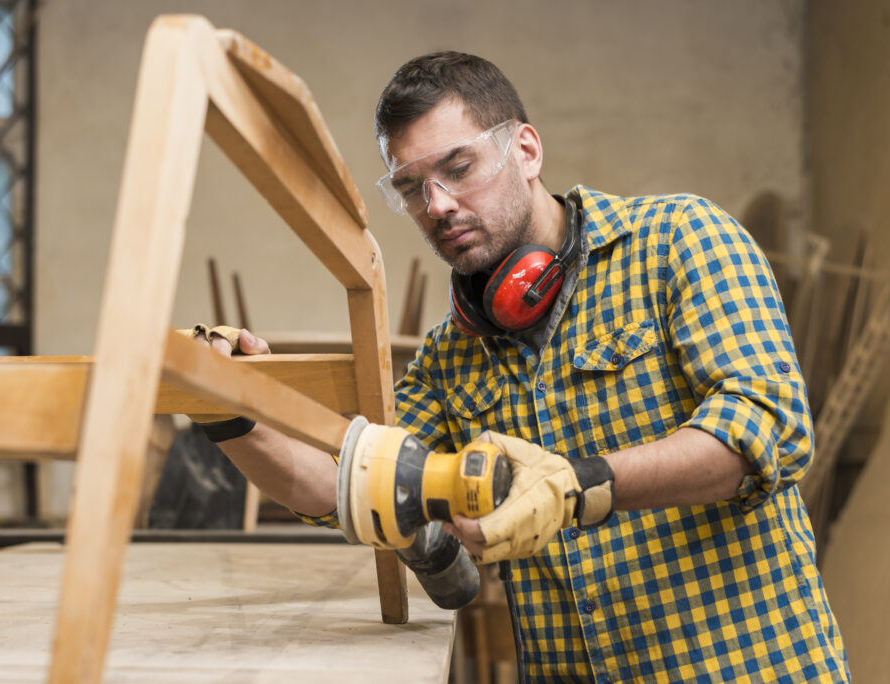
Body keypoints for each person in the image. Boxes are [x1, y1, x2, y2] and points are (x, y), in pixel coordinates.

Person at [193, 52, 850, 682]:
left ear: (526, 150)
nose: (439, 204)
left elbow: (766, 431)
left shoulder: (679, 240)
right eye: (411, 189)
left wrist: (578, 486)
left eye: (459, 167)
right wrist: (230, 410)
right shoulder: (449, 359)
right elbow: (346, 486)